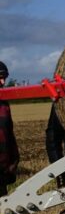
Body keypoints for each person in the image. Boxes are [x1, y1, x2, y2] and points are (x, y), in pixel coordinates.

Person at [0, 61, 19, 196]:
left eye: (4, 78)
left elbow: (8, 135)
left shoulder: (4, 104)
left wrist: (13, 160)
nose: (2, 82)